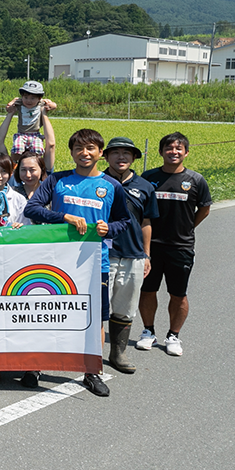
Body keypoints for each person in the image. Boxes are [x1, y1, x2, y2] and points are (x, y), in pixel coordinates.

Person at [25, 129, 130, 397]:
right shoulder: (57, 180)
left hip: (96, 263)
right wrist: (63, 217)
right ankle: (36, 365)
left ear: (100, 153)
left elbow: (125, 221)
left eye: (91, 148)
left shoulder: (111, 186)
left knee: (94, 319)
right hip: (57, 261)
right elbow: (32, 208)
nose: (85, 153)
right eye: (79, 149)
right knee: (48, 311)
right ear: (71, 153)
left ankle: (92, 370)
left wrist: (110, 228)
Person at [136, 132, 212, 358]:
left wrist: (188, 227)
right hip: (151, 246)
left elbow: (204, 209)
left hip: (181, 247)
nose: (174, 152)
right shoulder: (148, 177)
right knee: (148, 290)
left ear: (186, 152)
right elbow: (139, 210)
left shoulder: (196, 180)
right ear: (161, 152)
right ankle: (148, 331)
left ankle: (173, 335)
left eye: (179, 148)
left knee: (178, 294)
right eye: (169, 148)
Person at [101, 137, 158, 373]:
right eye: (115, 153)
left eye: (127, 153)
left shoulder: (145, 186)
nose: (121, 157)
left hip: (133, 255)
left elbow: (146, 222)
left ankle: (118, 353)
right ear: (105, 156)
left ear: (135, 157)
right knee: (98, 307)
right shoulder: (97, 181)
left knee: (125, 307)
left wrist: (146, 255)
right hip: (103, 254)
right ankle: (92, 356)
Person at [0, 86, 57, 171]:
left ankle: (28, 161)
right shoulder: (20, 104)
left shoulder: (40, 104)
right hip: (21, 134)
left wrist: (47, 109)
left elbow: (51, 145)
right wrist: (11, 109)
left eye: (32, 98)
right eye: (26, 97)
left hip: (35, 134)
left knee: (38, 150)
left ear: (39, 98)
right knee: (17, 149)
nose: (28, 101)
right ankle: (15, 161)